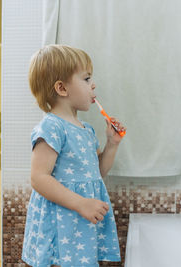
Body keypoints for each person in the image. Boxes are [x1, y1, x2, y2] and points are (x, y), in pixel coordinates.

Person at [21, 44, 126, 267]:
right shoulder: (52, 127)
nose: (93, 84)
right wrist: (81, 204)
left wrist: (112, 144)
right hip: (62, 220)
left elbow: (97, 172)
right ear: (61, 88)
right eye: (87, 79)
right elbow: (38, 178)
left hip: (80, 222)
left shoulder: (86, 130)